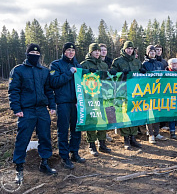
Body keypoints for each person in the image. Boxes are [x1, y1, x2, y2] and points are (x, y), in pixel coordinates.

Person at [8, 44, 57, 184]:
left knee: (45, 137)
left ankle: (44, 163)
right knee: (23, 138)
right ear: (27, 53)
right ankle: (19, 169)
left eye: (37, 52)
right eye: (32, 51)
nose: (34, 54)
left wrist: (52, 105)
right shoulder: (18, 70)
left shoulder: (44, 71)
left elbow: (48, 90)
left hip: (42, 110)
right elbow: (13, 91)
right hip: (26, 111)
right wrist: (16, 108)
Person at [50, 42, 85, 170]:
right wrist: (69, 73)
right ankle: (65, 157)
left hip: (76, 103)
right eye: (68, 50)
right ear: (64, 52)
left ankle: (74, 153)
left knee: (76, 129)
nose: (71, 52)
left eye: (73, 50)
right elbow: (54, 82)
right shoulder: (56, 65)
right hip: (63, 103)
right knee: (63, 131)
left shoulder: (78, 65)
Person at [111, 41, 145, 149]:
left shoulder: (137, 61)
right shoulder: (117, 61)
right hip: (123, 91)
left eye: (131, 49)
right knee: (124, 114)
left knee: (134, 113)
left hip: (135, 91)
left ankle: (133, 138)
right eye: (128, 48)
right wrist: (121, 74)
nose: (130, 50)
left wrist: (143, 72)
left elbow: (141, 76)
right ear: (124, 49)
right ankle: (126, 139)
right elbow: (112, 75)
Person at [80, 43, 111, 156]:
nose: (97, 52)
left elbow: (107, 79)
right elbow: (79, 79)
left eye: (99, 50)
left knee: (103, 119)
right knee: (92, 120)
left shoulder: (104, 64)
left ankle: (102, 144)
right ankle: (92, 145)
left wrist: (110, 74)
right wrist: (87, 72)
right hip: (90, 96)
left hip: (102, 96)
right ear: (90, 52)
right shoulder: (84, 64)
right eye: (95, 50)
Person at [143, 45, 167, 143]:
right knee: (149, 113)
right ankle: (151, 134)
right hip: (148, 91)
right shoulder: (144, 64)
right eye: (151, 51)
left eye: (154, 51)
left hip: (158, 91)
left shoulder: (160, 63)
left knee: (157, 112)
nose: (153, 53)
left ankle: (157, 133)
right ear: (148, 53)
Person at [154, 44, 169, 130]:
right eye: (157, 50)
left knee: (163, 104)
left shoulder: (164, 62)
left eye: (160, 50)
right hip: (153, 86)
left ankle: (163, 124)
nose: (158, 51)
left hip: (163, 86)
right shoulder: (151, 60)